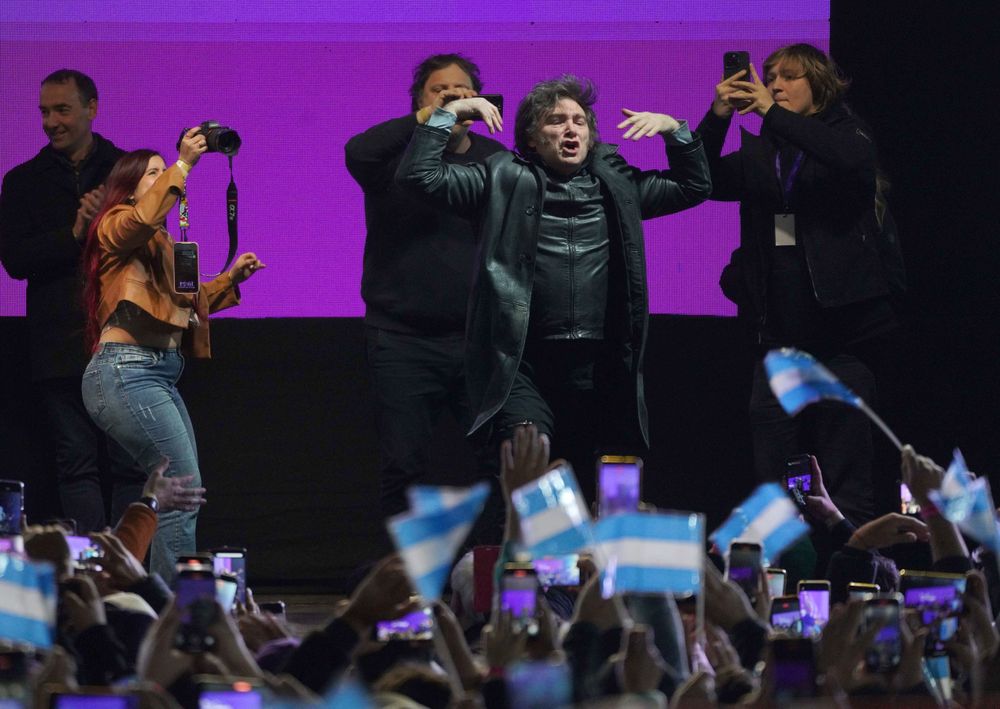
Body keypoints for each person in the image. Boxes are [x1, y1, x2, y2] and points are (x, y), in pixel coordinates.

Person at [396, 75, 711, 499]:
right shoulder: (499, 177)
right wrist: (447, 115)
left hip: (597, 364)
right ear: (531, 136)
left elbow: (695, 187)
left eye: (579, 121)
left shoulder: (618, 185)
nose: (570, 129)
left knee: (585, 480)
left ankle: (573, 564)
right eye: (556, 121)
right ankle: (516, 560)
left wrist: (676, 131)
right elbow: (420, 177)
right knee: (532, 465)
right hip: (523, 361)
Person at [697, 43, 902, 525]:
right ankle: (783, 585)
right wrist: (718, 115)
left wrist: (771, 114)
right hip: (779, 345)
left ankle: (849, 583)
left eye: (788, 77)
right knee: (773, 483)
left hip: (842, 341)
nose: (774, 86)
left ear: (820, 85)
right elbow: (701, 179)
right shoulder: (764, 151)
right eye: (770, 78)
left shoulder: (844, 133)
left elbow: (850, 161)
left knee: (846, 479)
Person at [79, 130, 264, 580]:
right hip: (125, 372)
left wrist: (229, 279)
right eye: (155, 174)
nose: (167, 179)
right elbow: (140, 220)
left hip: (153, 374)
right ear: (130, 186)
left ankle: (160, 598)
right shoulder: (116, 223)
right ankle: (178, 609)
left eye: (166, 172)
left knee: (180, 489)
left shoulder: (161, 243)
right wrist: (183, 165)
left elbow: (186, 305)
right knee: (180, 491)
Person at [344, 54, 507, 520]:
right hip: (401, 340)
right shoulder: (389, 161)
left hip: (477, 342)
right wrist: (435, 118)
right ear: (419, 100)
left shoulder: (495, 161)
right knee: (404, 467)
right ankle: (410, 585)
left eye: (463, 89)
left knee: (499, 463)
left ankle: (489, 579)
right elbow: (356, 151)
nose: (454, 95)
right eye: (441, 90)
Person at [0, 69, 144, 534]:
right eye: (44, 111)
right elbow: (16, 260)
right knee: (76, 463)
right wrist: (75, 234)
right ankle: (91, 573)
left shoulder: (129, 170)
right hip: (58, 344)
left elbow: (152, 247)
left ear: (92, 108)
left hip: (123, 336)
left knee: (129, 465)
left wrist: (108, 229)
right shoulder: (23, 181)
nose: (51, 121)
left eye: (62, 109)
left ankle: (128, 571)